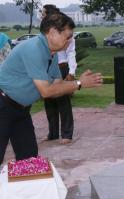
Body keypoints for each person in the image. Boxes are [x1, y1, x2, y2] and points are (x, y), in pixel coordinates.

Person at [0, 12, 103, 164]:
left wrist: (77, 84)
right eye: (67, 36)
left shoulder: (51, 54)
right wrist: (79, 84)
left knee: (29, 159)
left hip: (21, 110)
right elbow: (46, 91)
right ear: (53, 32)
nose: (70, 40)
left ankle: (27, 188)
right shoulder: (34, 48)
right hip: (3, 105)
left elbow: (57, 86)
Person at [41, 5, 77, 144]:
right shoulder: (44, 33)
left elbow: (71, 52)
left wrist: (72, 71)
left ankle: (67, 134)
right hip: (47, 69)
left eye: (43, 14)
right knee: (49, 102)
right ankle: (53, 133)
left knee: (63, 103)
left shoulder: (66, 32)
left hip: (61, 68)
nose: (41, 16)